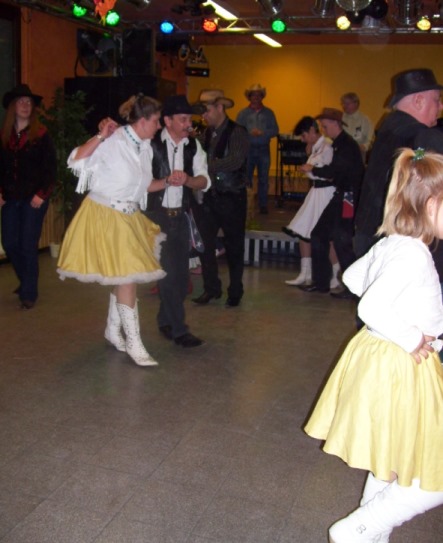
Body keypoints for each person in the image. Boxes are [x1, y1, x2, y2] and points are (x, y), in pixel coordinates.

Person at [304, 148, 443, 543]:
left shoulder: (394, 243)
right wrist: (411, 336)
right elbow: (370, 305)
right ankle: (358, 528)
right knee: (431, 469)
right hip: (399, 364)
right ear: (430, 203)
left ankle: (368, 534)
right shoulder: (412, 254)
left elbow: (352, 277)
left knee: (391, 460)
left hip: (386, 359)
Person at [57, 94, 166, 367]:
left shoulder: (145, 147)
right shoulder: (113, 140)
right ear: (143, 121)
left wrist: (168, 181)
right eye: (156, 121)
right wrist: (100, 136)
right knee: (128, 276)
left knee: (123, 275)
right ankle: (134, 342)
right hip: (105, 215)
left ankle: (112, 330)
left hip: (129, 217)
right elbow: (76, 160)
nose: (159, 126)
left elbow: (143, 186)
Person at [355, 68, 443, 258]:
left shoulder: (388, 128)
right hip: (408, 245)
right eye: (437, 100)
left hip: (374, 236)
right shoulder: (424, 136)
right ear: (418, 100)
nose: (441, 106)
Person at [145, 95, 210, 348]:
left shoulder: (193, 146)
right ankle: (179, 330)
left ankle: (165, 320)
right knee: (170, 275)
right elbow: (139, 183)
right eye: (183, 119)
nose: (188, 124)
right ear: (167, 121)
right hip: (155, 218)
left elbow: (204, 180)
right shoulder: (150, 145)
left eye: (189, 120)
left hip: (181, 217)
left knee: (181, 279)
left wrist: (188, 181)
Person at [190, 89, 249, 308]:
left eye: (206, 111)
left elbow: (235, 161)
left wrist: (205, 166)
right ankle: (211, 288)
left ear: (219, 108)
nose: (203, 115)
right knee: (205, 245)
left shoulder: (238, 131)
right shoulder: (206, 133)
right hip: (210, 197)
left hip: (232, 197)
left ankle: (235, 291)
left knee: (234, 246)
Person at [0, 83, 56, 310]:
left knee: (27, 245)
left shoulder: (41, 135)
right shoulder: (4, 136)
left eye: (28, 102)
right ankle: (26, 280)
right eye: (21, 102)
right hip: (11, 198)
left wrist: (42, 195)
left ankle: (29, 293)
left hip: (34, 198)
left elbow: (51, 169)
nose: (25, 105)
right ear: (13, 107)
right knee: (9, 243)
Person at [299, 108, 365, 297]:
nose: (323, 130)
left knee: (341, 239)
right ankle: (322, 282)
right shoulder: (340, 144)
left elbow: (335, 171)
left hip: (348, 197)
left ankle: (351, 287)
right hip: (343, 194)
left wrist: (312, 169)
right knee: (319, 234)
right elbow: (335, 172)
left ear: (336, 124)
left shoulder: (346, 145)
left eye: (325, 126)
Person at [281, 116, 339, 287]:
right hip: (315, 192)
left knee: (328, 236)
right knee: (302, 229)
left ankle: (336, 275)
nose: (302, 139)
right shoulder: (316, 147)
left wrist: (311, 168)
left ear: (312, 131)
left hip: (325, 193)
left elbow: (329, 172)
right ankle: (305, 272)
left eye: (304, 135)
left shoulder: (327, 146)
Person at [236, 83, 279, 214]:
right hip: (247, 150)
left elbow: (275, 130)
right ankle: (246, 203)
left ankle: (263, 205)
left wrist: (263, 133)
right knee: (246, 177)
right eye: (253, 95)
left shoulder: (269, 113)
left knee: (263, 178)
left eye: (258, 95)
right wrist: (249, 133)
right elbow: (237, 131)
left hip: (263, 149)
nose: (256, 97)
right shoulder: (243, 113)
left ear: (262, 97)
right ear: (249, 97)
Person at [340, 92, 374, 161]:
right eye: (343, 103)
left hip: (357, 155)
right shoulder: (340, 118)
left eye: (347, 103)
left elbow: (370, 139)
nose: (344, 106)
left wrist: (364, 146)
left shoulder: (364, 120)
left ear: (356, 104)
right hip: (341, 153)